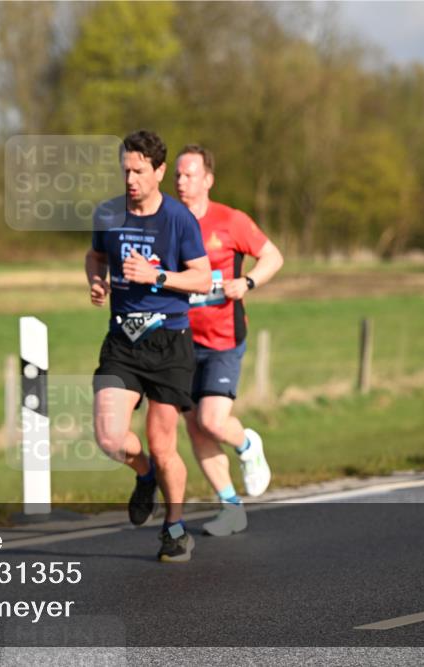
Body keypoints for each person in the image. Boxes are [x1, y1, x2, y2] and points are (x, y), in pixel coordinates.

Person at [87, 130, 211, 563]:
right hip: (122, 340)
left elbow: (202, 278)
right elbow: (96, 256)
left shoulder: (179, 220)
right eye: (125, 170)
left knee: (162, 442)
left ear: (159, 171)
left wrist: (156, 277)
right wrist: (97, 282)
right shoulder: (108, 213)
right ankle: (145, 476)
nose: (131, 179)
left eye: (139, 171)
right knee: (108, 436)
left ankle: (175, 529)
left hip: (169, 342)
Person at [175, 145, 283, 536]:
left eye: (189, 174)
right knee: (194, 428)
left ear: (208, 179)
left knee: (212, 420)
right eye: (178, 175)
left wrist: (248, 281)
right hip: (181, 340)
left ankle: (248, 445)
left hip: (223, 337)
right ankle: (231, 507)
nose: (182, 181)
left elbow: (273, 256)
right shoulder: (168, 222)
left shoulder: (230, 220)